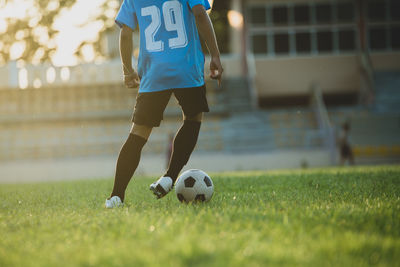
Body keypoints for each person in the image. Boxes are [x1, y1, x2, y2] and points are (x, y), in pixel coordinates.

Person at [105, 0, 223, 208]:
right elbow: (200, 14)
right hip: (186, 67)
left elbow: (125, 33)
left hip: (153, 73)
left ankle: (116, 197)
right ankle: (170, 176)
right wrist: (215, 54)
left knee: (138, 134)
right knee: (193, 118)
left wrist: (127, 71)